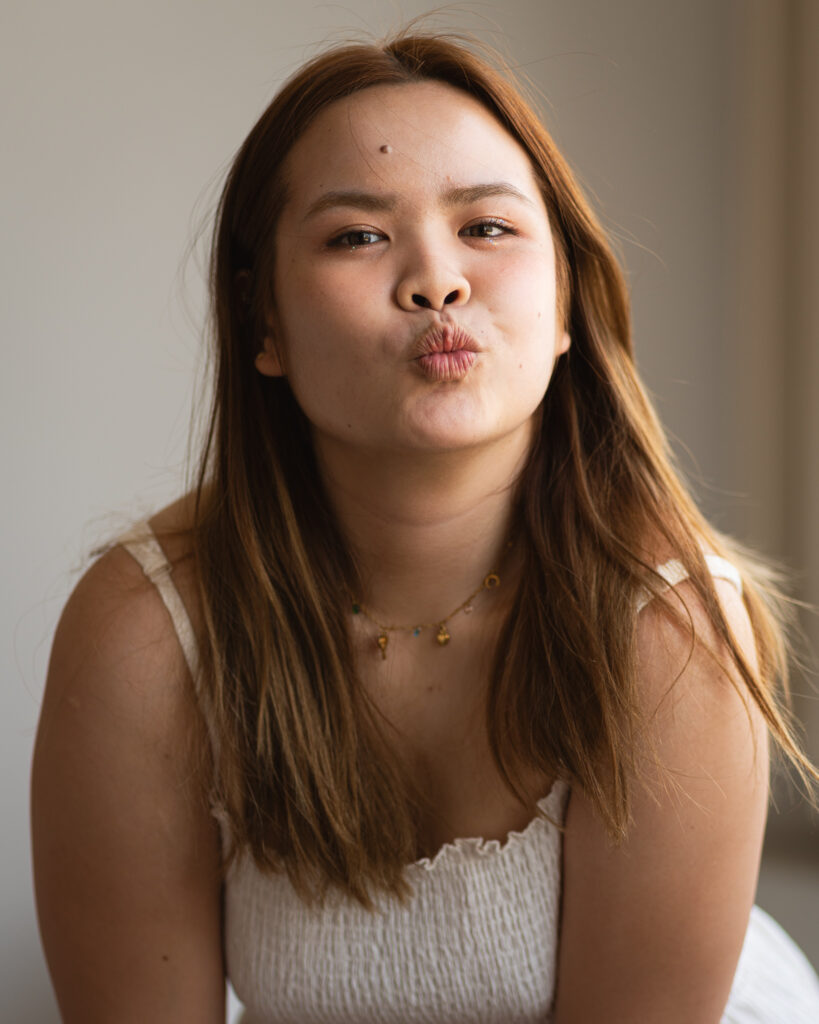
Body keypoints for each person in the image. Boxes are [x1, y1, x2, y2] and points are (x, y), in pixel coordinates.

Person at [31, 29, 819, 1024]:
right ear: (263, 321)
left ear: (565, 302)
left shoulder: (670, 627)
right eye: (357, 237)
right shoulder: (148, 631)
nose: (437, 281)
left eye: (487, 227)